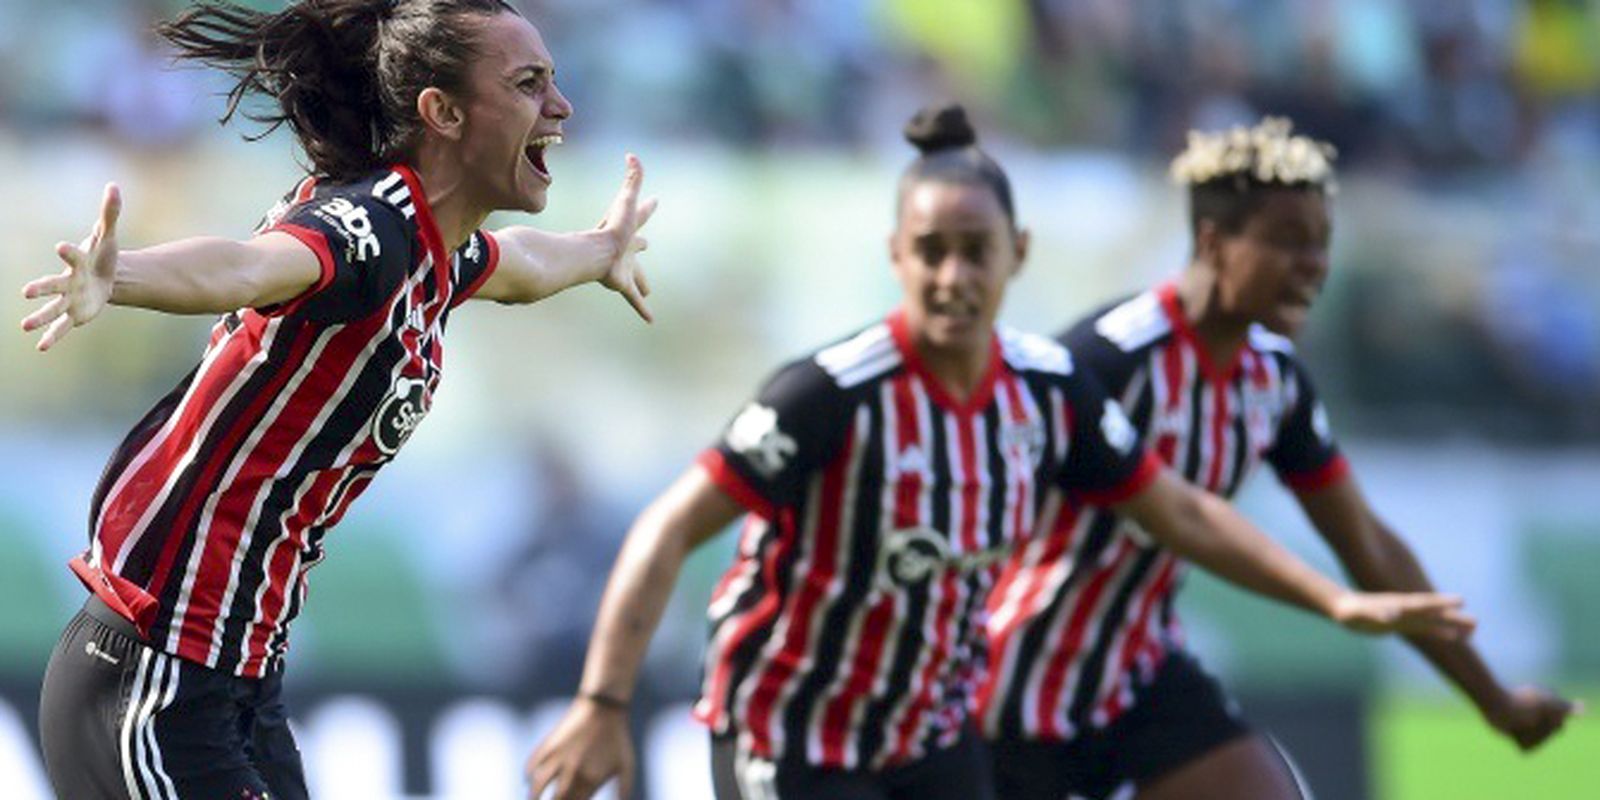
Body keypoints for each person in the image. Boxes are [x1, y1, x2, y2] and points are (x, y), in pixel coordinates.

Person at [523, 104, 1471, 800]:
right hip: (793, 729)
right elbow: (667, 527)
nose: (953, 275)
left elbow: (1179, 510)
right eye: (931, 250)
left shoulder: (1052, 391)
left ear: (1016, 253)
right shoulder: (830, 392)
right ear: (896, 253)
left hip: (933, 732)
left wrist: (1332, 597)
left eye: (975, 250)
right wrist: (603, 702)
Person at [21, 2, 657, 797]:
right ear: (443, 112)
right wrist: (123, 278)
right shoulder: (369, 228)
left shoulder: (434, 251)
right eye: (530, 84)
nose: (560, 107)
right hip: (154, 676)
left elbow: (521, 266)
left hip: (236, 681)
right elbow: (253, 268)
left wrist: (598, 252)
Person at [976, 117, 1580, 800]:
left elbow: (1368, 546)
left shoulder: (1276, 380)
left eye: (1321, 244)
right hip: (1017, 687)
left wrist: (1493, 699)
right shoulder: (1109, 358)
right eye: (1288, 241)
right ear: (1213, 243)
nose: (1314, 265)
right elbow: (1003, 491)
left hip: (1137, 676)